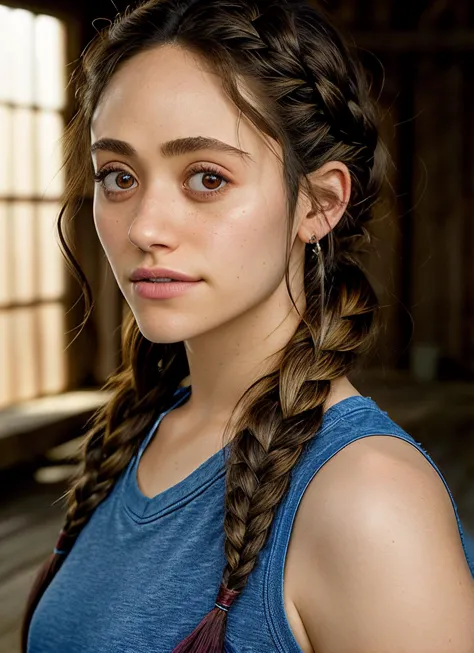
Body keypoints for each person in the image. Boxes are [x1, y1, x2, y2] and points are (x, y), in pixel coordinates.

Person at [24, 0, 474, 651]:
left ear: (319, 202)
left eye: (207, 178)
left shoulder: (369, 499)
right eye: (118, 176)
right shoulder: (141, 434)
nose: (145, 226)